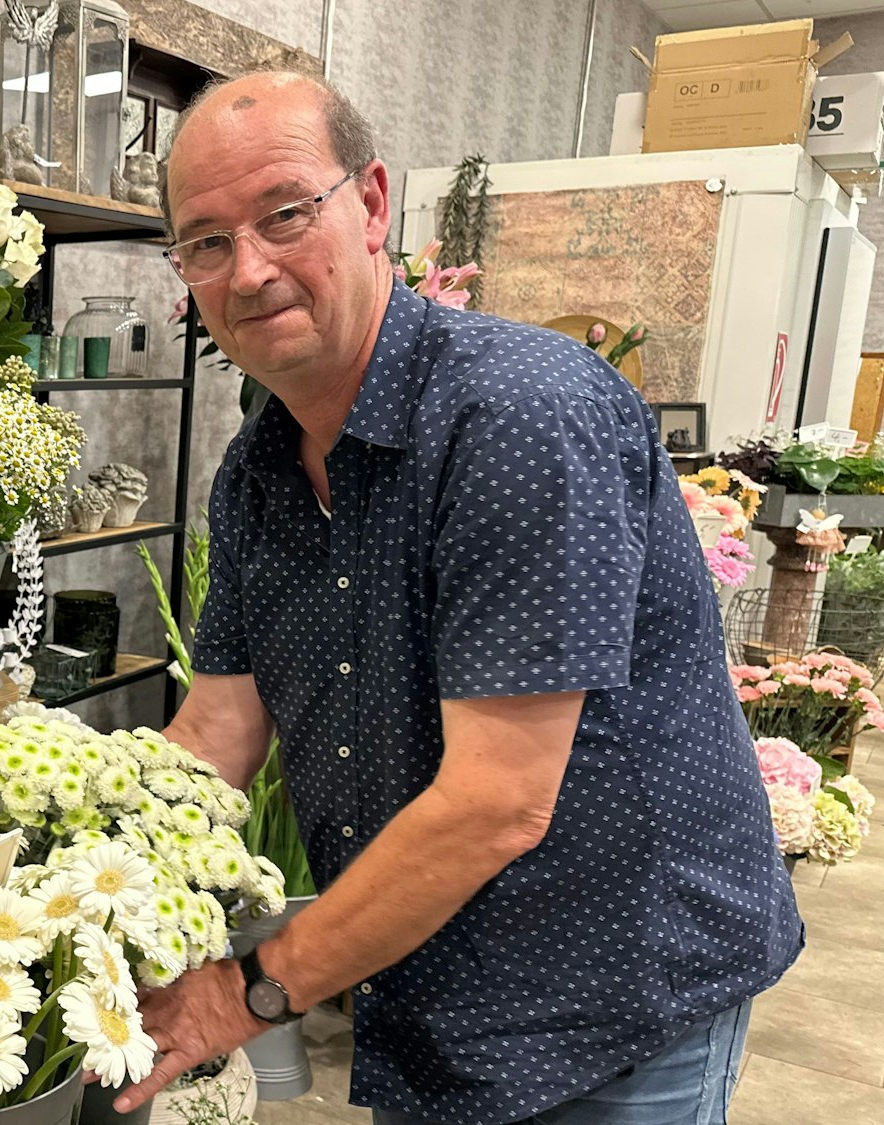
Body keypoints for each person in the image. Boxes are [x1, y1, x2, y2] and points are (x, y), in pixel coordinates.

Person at [113, 71, 802, 1124]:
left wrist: (251, 991)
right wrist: (75, 890)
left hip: (613, 995)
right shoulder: (256, 471)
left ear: (374, 204)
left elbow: (494, 802)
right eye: (204, 241)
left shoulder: (514, 417)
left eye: (283, 214)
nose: (247, 270)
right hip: (434, 990)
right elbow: (217, 724)